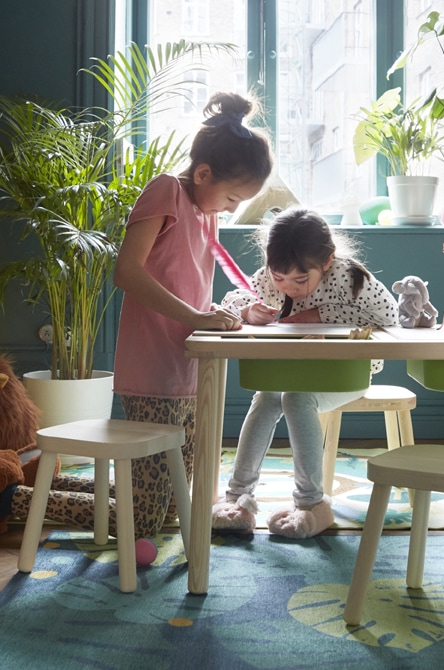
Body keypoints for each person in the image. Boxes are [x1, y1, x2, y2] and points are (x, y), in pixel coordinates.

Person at [110, 91, 274, 538]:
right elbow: (126, 272)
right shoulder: (166, 190)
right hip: (152, 373)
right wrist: (198, 318)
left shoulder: (205, 215)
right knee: (145, 518)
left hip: (186, 370)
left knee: (171, 505)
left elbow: (189, 285)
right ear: (203, 173)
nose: (232, 208)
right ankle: (20, 496)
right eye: (233, 198)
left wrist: (233, 309)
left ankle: (60, 487)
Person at [213, 208, 399, 538]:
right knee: (267, 395)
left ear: (326, 262)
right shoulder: (272, 277)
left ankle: (312, 504)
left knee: (296, 399)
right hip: (292, 371)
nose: (289, 288)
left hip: (345, 374)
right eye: (279, 278)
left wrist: (323, 314)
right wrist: (247, 310)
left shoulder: (348, 276)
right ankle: (237, 499)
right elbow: (231, 299)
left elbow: (389, 315)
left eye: (301, 280)